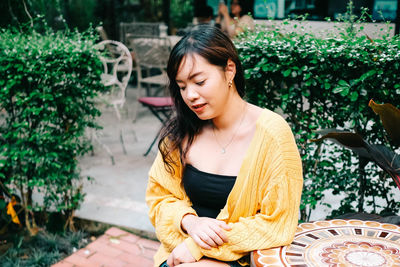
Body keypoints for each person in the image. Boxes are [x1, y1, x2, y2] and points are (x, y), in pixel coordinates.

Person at [146, 25, 303, 267]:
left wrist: (197, 246)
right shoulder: (182, 133)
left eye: (199, 81)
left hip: (241, 257)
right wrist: (189, 221)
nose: (190, 95)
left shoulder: (273, 134)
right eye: (182, 86)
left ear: (229, 70)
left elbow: (278, 221)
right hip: (179, 254)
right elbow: (159, 198)